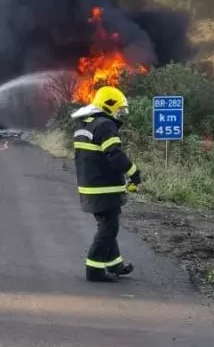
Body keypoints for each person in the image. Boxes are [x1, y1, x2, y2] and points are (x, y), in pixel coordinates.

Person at [71, 85, 142, 283]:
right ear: (108, 105)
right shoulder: (105, 125)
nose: (120, 114)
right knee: (108, 228)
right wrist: (134, 173)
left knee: (107, 225)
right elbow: (115, 155)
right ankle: (94, 269)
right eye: (119, 109)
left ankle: (115, 264)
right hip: (104, 188)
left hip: (90, 186)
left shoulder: (85, 125)